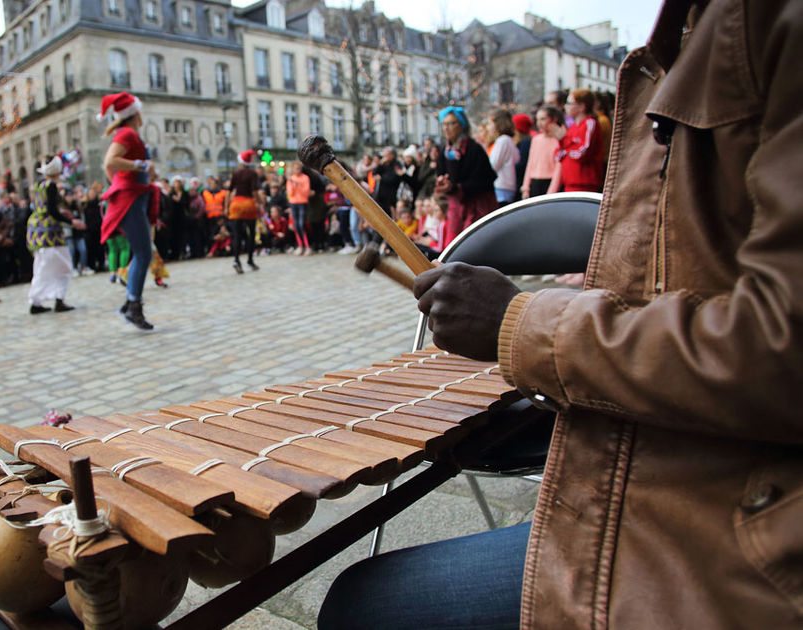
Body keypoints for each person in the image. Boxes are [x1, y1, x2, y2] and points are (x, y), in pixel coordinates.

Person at [319, 1, 803, 628]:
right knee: (362, 590)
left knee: (364, 609)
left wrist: (519, 323)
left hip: (741, 529)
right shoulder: (691, 31)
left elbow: (779, 347)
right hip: (664, 469)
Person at [99, 91, 158, 331]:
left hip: (136, 196)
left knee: (142, 252)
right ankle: (134, 306)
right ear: (135, 113)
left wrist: (139, 172)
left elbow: (112, 169)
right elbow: (109, 162)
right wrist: (140, 166)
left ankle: (131, 302)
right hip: (131, 198)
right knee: (143, 253)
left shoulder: (131, 134)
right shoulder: (126, 133)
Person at [434, 106, 498, 249]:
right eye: (445, 124)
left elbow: (486, 179)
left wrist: (457, 187)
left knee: (473, 244)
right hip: (456, 205)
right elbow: (441, 173)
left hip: (476, 205)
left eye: (452, 123)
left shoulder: (474, 149)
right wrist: (443, 182)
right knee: (453, 244)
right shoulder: (444, 150)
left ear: (462, 125)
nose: (447, 128)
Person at [27, 156, 78, 314]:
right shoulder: (50, 186)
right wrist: (71, 222)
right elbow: (52, 211)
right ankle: (56, 299)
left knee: (43, 266)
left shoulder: (38, 185)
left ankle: (40, 300)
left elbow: (44, 207)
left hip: (37, 229)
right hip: (49, 232)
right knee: (62, 265)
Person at [551, 88, 605, 193]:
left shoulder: (590, 123)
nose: (566, 106)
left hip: (586, 183)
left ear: (582, 106)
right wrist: (565, 143)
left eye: (570, 103)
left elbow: (582, 153)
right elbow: (558, 155)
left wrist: (564, 141)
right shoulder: (572, 127)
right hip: (570, 182)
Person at [226, 149, 263, 274]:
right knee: (251, 234)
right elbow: (254, 192)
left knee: (236, 235)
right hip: (248, 204)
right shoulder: (252, 174)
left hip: (236, 205)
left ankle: (236, 260)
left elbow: (229, 191)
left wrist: (226, 207)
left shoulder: (235, 174)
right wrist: (259, 202)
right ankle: (250, 260)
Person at [521, 106, 564, 198]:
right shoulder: (536, 139)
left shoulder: (559, 140)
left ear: (554, 119)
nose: (539, 123)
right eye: (537, 120)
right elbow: (530, 163)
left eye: (543, 119)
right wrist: (526, 187)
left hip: (550, 181)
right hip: (535, 182)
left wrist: (552, 192)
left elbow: (559, 168)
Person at [487, 109, 521, 206]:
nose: (488, 127)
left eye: (490, 123)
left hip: (502, 187)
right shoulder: (508, 140)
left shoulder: (503, 141)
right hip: (507, 187)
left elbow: (493, 165)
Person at [285, 161, 312, 255]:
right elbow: (290, 193)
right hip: (293, 203)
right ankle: (300, 246)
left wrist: (296, 184)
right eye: (296, 168)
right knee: (296, 225)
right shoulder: (291, 179)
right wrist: (293, 184)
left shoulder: (305, 178)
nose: (298, 170)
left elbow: (306, 192)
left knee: (301, 224)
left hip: (302, 203)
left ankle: (307, 246)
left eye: (299, 168)